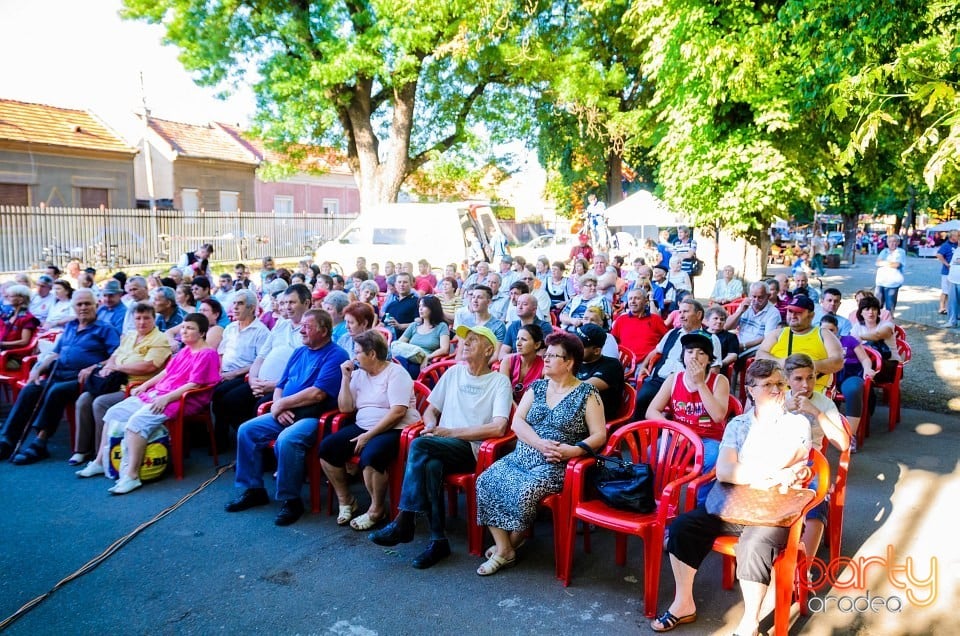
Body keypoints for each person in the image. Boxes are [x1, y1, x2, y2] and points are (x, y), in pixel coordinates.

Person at [651, 359, 812, 636]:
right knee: (683, 527)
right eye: (767, 385)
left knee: (753, 546)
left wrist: (748, 470)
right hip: (732, 502)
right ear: (750, 390)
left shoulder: (797, 423)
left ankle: (750, 621)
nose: (776, 390)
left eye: (779, 384)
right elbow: (725, 472)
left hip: (772, 508)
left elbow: (790, 458)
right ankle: (683, 603)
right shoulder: (738, 424)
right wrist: (771, 473)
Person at [368, 325, 512, 570]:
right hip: (440, 444)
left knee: (421, 444)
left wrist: (450, 432)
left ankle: (405, 520)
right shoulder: (454, 373)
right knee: (431, 463)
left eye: (473, 341)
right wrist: (432, 425)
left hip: (472, 449)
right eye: (464, 340)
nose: (464, 343)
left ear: (489, 349)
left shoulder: (499, 382)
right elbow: (431, 409)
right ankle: (438, 541)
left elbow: (498, 428)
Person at [475, 330, 606, 575]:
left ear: (569, 363)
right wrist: (538, 443)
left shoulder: (587, 393)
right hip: (523, 455)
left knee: (525, 491)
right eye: (546, 354)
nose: (545, 359)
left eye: (553, 355)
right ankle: (505, 548)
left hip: (555, 462)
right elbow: (518, 423)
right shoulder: (537, 386)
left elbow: (600, 435)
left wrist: (573, 450)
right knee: (486, 481)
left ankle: (508, 547)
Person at [225, 309, 348, 526]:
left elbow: (317, 393)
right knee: (247, 430)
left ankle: (291, 500)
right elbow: (281, 384)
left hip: (314, 417)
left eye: (307, 326)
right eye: (302, 326)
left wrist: (281, 404)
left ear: (324, 330)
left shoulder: (336, 355)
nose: (301, 330)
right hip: (285, 411)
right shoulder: (300, 352)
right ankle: (254, 490)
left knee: (288, 440)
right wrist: (278, 405)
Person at [83, 313, 220, 494]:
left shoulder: (207, 354)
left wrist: (167, 397)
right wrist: (145, 385)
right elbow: (166, 373)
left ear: (202, 333)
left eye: (190, 328)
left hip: (183, 399)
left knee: (136, 423)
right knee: (114, 413)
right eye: (183, 327)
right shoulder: (185, 350)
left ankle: (131, 476)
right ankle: (100, 461)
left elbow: (194, 384)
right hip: (160, 393)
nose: (184, 331)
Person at [0, 289, 120, 464]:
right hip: (59, 373)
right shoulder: (71, 326)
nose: (84, 307)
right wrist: (38, 369)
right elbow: (55, 353)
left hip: (83, 379)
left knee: (56, 391)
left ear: (96, 305)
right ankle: (7, 440)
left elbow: (116, 356)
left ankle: (40, 442)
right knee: (31, 388)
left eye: (88, 303)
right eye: (79, 304)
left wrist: (95, 366)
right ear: (74, 307)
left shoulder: (105, 329)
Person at [319, 330, 421, 530]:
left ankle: (377, 510)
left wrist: (368, 436)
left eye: (357, 352)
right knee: (327, 448)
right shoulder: (358, 374)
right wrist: (345, 379)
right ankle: (346, 500)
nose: (353, 357)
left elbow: (398, 412)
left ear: (372, 354)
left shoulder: (396, 373)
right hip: (363, 425)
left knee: (372, 455)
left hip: (396, 428)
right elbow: (345, 408)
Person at [72, 303, 171, 467]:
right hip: (115, 381)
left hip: (136, 386)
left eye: (146, 318)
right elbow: (115, 355)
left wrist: (117, 367)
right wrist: (108, 366)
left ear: (154, 319)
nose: (142, 322)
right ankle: (81, 450)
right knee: (84, 399)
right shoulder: (130, 335)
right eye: (138, 318)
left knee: (100, 403)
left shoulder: (159, 339)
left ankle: (102, 454)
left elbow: (149, 366)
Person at [212, 285, 311, 436]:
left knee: (257, 407)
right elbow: (261, 356)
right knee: (230, 401)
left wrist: (274, 385)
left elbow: (305, 371)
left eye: (292, 302)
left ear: (306, 303)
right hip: (260, 383)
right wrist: (253, 380)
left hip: (284, 387)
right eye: (284, 303)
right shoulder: (281, 324)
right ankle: (245, 446)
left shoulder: (310, 330)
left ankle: (260, 451)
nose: (287, 307)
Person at [646, 333, 730, 503]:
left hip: (709, 438)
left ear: (709, 359)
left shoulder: (719, 381)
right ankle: (660, 501)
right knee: (653, 451)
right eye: (690, 352)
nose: (694, 357)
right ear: (683, 356)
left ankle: (701, 505)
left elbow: (718, 415)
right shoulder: (673, 379)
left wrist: (700, 384)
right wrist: (672, 429)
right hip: (679, 436)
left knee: (713, 459)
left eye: (701, 353)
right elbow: (652, 411)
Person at [782, 353, 850, 562]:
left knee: (816, 503)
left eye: (810, 378)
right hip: (779, 462)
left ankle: (804, 567)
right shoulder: (779, 399)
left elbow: (843, 444)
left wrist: (816, 412)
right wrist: (784, 410)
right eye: (798, 379)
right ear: (787, 380)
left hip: (812, 463)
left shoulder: (825, 403)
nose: (805, 384)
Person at [634, 298, 722, 419]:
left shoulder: (710, 338)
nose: (681, 316)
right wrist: (643, 366)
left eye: (685, 312)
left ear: (699, 314)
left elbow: (714, 369)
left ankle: (670, 431)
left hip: (688, 383)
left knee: (682, 411)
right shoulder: (672, 333)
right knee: (641, 399)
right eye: (680, 312)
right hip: (660, 379)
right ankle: (637, 434)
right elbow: (655, 351)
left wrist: (699, 384)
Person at [756, 295, 844, 394]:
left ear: (811, 315)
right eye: (790, 311)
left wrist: (806, 367)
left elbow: (838, 361)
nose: (793, 316)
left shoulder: (824, 334)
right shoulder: (777, 333)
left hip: (812, 390)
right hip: (777, 389)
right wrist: (782, 362)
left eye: (798, 312)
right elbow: (759, 356)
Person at [819, 315, 871, 445]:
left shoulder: (849, 340)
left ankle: (850, 436)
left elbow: (865, 359)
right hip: (828, 377)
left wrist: (868, 369)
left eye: (832, 330)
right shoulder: (818, 343)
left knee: (853, 390)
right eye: (825, 331)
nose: (829, 334)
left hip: (850, 374)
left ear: (837, 329)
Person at [573, 323, 624, 421]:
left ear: (596, 351)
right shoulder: (576, 361)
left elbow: (581, 388)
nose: (574, 348)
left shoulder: (612, 366)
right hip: (574, 413)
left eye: (580, 346)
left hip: (596, 420)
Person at [393, 295, 451, 377]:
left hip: (423, 361)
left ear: (433, 308)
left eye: (424, 306)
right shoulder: (414, 325)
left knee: (403, 368)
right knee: (398, 361)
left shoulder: (441, 326)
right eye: (419, 306)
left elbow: (444, 349)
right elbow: (399, 343)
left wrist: (427, 357)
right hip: (408, 357)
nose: (420, 309)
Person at [724, 282, 782, 358]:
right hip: (738, 344)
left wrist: (744, 345)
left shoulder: (773, 313)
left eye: (760, 297)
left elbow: (768, 338)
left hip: (755, 348)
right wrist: (740, 311)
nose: (756, 300)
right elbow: (726, 327)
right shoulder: (745, 306)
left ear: (768, 296)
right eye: (753, 296)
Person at [850, 296, 901, 382]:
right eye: (867, 309)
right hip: (869, 363)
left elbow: (877, 335)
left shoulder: (887, 325)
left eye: (874, 309)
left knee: (859, 368)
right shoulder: (857, 326)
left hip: (890, 365)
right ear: (861, 312)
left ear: (878, 311)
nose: (871, 312)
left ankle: (865, 393)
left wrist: (860, 337)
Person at [611, 286, 668, 362]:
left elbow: (668, 340)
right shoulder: (621, 319)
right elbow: (612, 342)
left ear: (646, 301)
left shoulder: (656, 319)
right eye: (630, 299)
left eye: (637, 298)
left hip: (648, 363)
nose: (633, 301)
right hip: (624, 363)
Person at [499, 323, 545, 404]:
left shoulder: (544, 366)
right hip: (507, 405)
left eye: (524, 339)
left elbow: (542, 398)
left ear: (537, 345)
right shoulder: (507, 361)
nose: (518, 343)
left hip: (530, 409)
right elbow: (503, 393)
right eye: (517, 339)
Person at [498, 293, 552, 360]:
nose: (520, 307)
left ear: (534, 309)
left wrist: (511, 356)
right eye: (518, 303)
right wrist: (521, 355)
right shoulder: (513, 326)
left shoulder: (544, 326)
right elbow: (502, 355)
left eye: (524, 304)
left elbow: (543, 353)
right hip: (514, 365)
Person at [0, 284, 40, 358]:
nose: (7, 298)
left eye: (10, 296)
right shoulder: (9, 315)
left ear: (21, 300)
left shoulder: (27, 318)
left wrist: (2, 343)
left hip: (14, 356)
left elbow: (24, 341)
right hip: (3, 353)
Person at [875, 234, 906, 315]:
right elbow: (878, 263)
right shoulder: (884, 251)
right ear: (887, 243)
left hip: (892, 284)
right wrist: (890, 263)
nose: (892, 243)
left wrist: (883, 263)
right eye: (890, 241)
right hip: (880, 282)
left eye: (895, 241)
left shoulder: (900, 252)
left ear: (898, 242)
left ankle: (889, 325)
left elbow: (896, 265)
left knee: (890, 309)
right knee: (877, 307)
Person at [381, 272, 419, 339]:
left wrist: (400, 326)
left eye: (405, 282)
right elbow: (382, 323)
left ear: (412, 284)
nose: (402, 285)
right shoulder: (392, 304)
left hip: (406, 340)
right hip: (388, 339)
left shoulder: (417, 302)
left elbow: (419, 324)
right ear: (395, 285)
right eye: (399, 282)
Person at [703, 306, 738, 376]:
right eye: (715, 318)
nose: (719, 321)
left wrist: (719, 364)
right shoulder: (699, 334)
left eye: (722, 319)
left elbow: (733, 355)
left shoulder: (730, 337)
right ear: (707, 320)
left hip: (720, 371)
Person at [936, 230, 959, 315]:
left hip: (956, 272)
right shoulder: (946, 245)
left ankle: (952, 308)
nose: (959, 237)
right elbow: (939, 255)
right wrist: (947, 264)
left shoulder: (957, 245)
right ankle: (942, 307)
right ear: (952, 237)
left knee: (954, 291)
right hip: (947, 272)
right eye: (958, 236)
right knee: (945, 290)